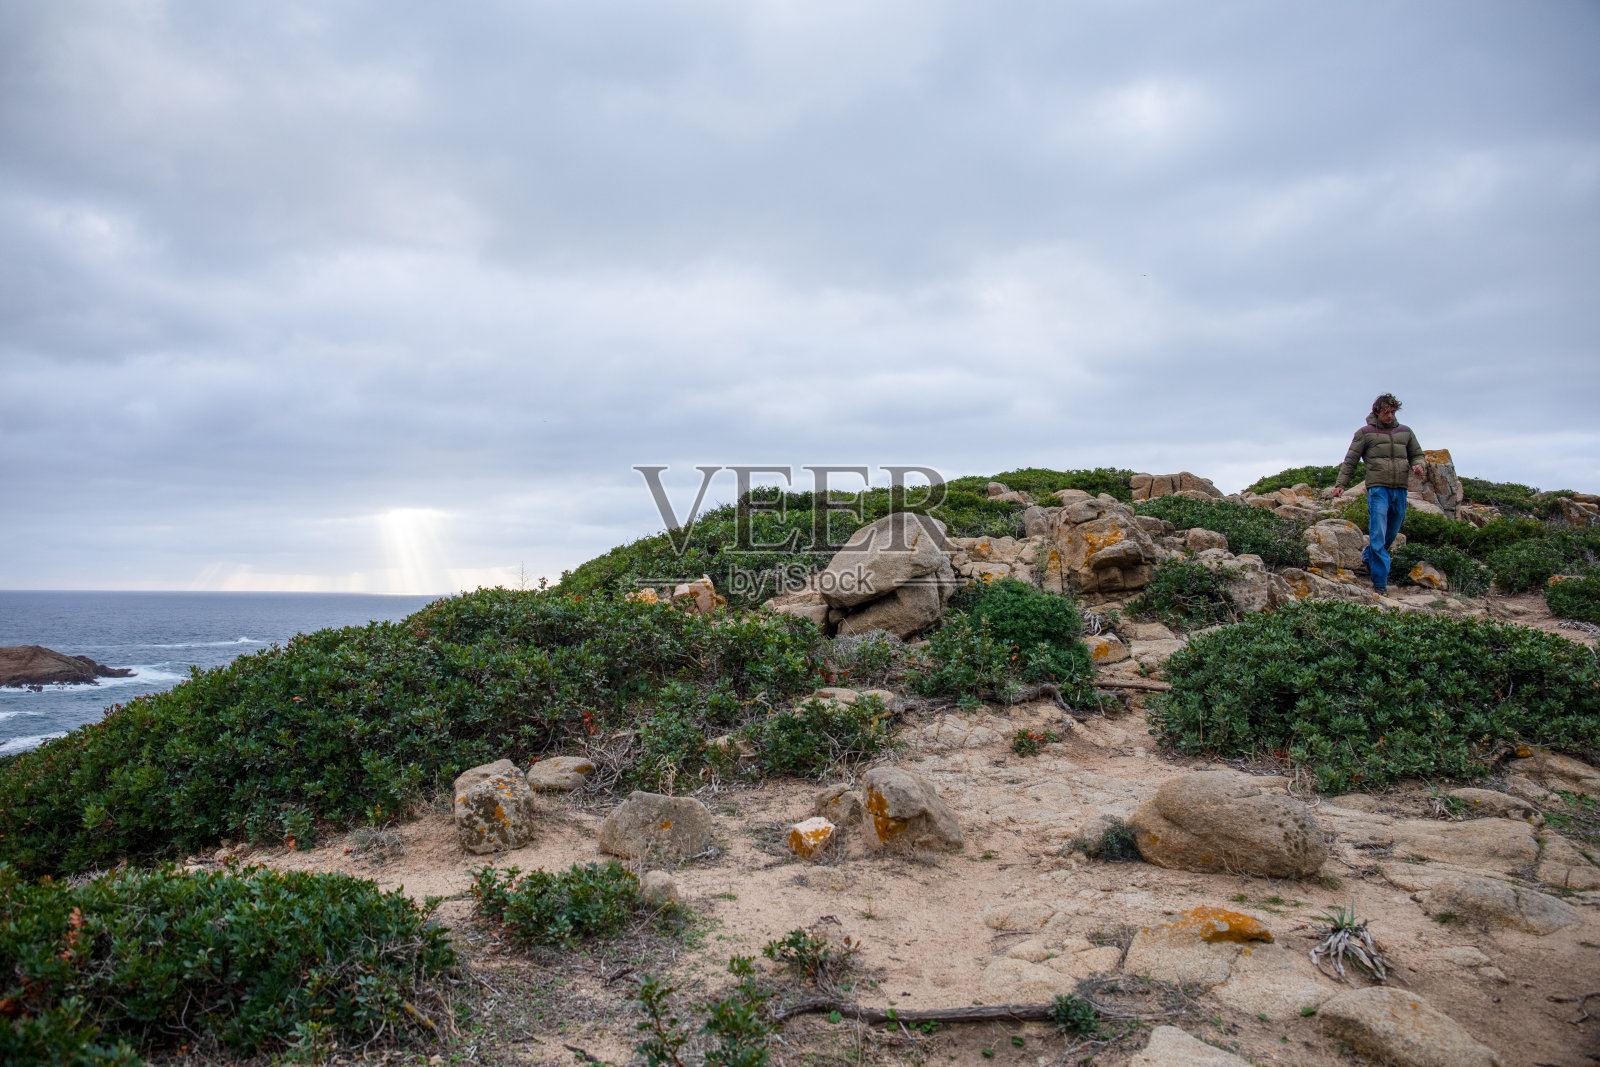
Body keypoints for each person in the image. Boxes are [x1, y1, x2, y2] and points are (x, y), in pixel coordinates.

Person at [1331, 393, 1425, 596]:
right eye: (1386, 412)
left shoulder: (1405, 432)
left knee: (1390, 533)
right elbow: (1351, 461)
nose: (1390, 416)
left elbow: (1417, 453)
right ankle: (1380, 583)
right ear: (1376, 411)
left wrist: (1418, 465)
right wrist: (1341, 485)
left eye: (1392, 412)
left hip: (1400, 488)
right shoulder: (1364, 433)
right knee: (1378, 533)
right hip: (1377, 490)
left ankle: (1368, 557)